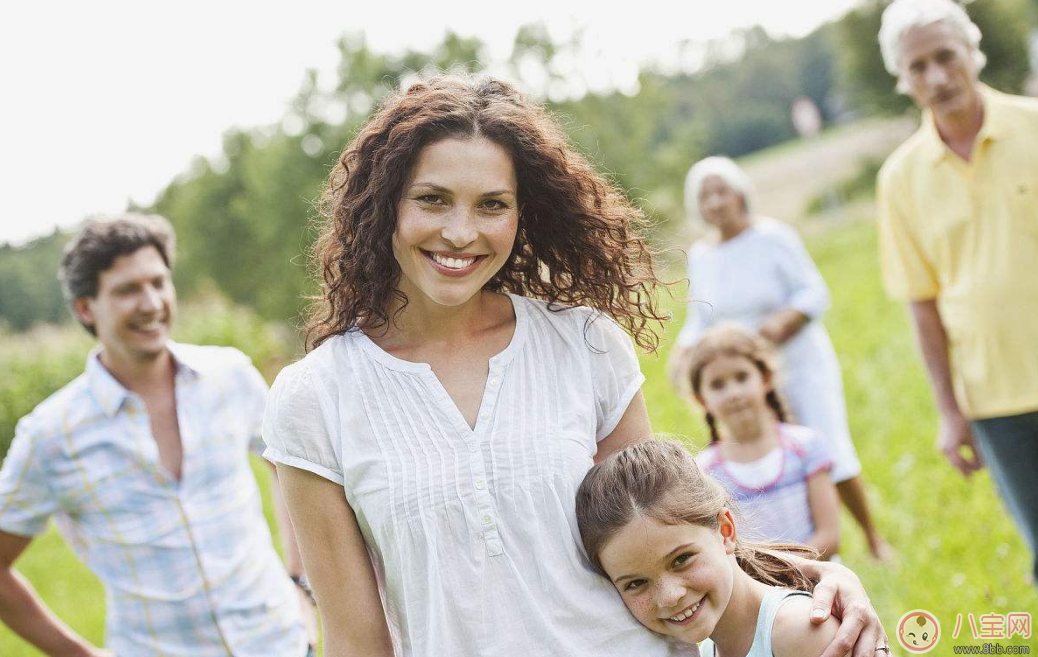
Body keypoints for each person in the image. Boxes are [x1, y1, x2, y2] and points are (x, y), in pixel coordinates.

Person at [263, 74, 888, 657]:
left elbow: (667, 534)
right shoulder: (313, 399)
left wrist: (813, 580)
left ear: (521, 213)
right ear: (383, 207)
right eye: (432, 200)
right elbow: (355, 637)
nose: (460, 232)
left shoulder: (583, 343)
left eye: (491, 205)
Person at [0, 215, 315, 657]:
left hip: (279, 643)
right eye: (127, 290)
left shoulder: (231, 376)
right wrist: (78, 654)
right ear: (86, 308)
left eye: (158, 282)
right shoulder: (51, 435)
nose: (151, 303)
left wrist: (301, 580)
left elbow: (287, 465)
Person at [876, 0, 1038, 581]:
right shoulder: (899, 178)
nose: (938, 77)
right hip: (994, 402)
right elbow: (921, 304)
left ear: (973, 53)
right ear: (904, 79)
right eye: (919, 67)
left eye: (946, 57)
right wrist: (948, 411)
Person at [672, 155, 891, 560]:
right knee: (771, 451)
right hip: (742, 371)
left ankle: (873, 538)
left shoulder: (774, 237)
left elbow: (814, 292)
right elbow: (700, 317)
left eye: (722, 191)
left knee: (824, 444)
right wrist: (683, 351)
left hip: (797, 359)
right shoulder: (702, 255)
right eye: (706, 196)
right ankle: (782, 540)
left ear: (740, 194)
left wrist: (779, 324)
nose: (716, 202)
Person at [575, 439, 876, 657]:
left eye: (681, 559)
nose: (670, 596)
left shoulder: (798, 631)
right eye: (636, 583)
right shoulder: (708, 648)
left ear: (726, 531)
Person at [685, 324, 840, 559]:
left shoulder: (806, 446)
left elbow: (829, 537)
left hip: (820, 586)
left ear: (766, 378)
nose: (734, 392)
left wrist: (784, 573)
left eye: (742, 377)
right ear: (701, 399)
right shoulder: (704, 474)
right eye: (718, 385)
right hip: (758, 594)